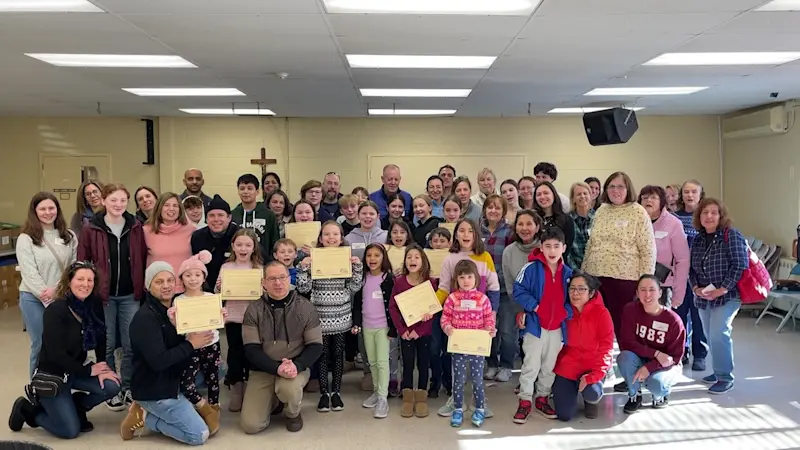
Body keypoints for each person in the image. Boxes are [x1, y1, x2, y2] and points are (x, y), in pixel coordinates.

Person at [9, 261, 120, 438]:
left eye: (90, 280)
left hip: (77, 368)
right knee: (69, 431)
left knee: (112, 385)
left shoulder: (94, 305)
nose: (85, 284)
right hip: (55, 374)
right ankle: (30, 411)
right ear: (69, 281)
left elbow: (100, 337)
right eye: (80, 279)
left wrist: (102, 366)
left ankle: (77, 407)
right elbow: (55, 355)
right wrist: (88, 370)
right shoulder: (56, 310)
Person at [120, 262, 213, 445]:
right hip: (155, 389)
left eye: (170, 280)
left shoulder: (174, 309)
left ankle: (169, 405)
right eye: (159, 282)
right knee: (199, 435)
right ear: (148, 286)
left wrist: (215, 317)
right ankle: (144, 416)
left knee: (216, 371)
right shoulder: (145, 319)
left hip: (173, 379)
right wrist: (190, 344)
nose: (166, 285)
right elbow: (159, 361)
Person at [78, 182, 146, 411]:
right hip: (102, 297)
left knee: (129, 344)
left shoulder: (136, 225)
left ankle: (126, 387)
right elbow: (83, 261)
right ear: (104, 201)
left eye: (123, 200)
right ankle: (110, 387)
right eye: (113, 200)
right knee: (105, 344)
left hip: (130, 295)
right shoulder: (92, 227)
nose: (118, 204)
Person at [239, 262, 323, 434]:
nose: (278, 283)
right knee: (251, 426)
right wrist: (277, 368)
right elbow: (251, 350)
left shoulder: (305, 307)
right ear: (263, 283)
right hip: (263, 369)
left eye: (282, 278)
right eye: (272, 279)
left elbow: (315, 345)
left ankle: (293, 413)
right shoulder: (253, 310)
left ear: (289, 279)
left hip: (294, 368)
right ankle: (275, 400)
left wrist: (296, 366)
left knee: (288, 388)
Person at [435, 219, 500, 418]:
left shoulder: (485, 257)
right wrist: (428, 308)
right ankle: (457, 401)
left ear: (476, 234)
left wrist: (492, 316)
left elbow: (494, 288)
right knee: (457, 365)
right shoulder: (449, 258)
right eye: (461, 230)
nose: (465, 234)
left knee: (477, 367)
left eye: (470, 230)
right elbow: (444, 288)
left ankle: (478, 401)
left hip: (479, 323)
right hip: (457, 323)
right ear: (455, 234)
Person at [296, 221, 363, 412]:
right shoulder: (313, 258)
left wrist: (357, 268)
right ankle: (324, 393)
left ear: (342, 238)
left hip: (341, 315)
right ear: (320, 238)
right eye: (327, 234)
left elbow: (354, 287)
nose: (331, 238)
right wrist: (303, 268)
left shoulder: (346, 258)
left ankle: (337, 393)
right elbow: (303, 288)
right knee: (323, 355)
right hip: (319, 316)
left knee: (338, 354)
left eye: (335, 234)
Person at [582, 172, 656, 338]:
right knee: (597, 326)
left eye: (620, 186)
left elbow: (648, 250)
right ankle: (601, 362)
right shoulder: (601, 210)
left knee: (622, 327)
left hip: (624, 279)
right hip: (596, 277)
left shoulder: (638, 212)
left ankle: (627, 362)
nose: (616, 190)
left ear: (628, 188)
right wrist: (584, 274)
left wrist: (646, 283)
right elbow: (591, 243)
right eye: (611, 186)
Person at [689, 198, 748, 395]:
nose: (709, 216)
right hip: (703, 296)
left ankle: (725, 377)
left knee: (719, 332)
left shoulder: (731, 235)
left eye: (714, 212)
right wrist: (696, 287)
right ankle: (716, 372)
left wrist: (722, 289)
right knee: (709, 335)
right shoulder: (697, 239)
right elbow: (691, 269)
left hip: (727, 295)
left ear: (721, 216)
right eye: (705, 212)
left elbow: (740, 264)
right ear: (699, 217)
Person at [512, 228, 572, 422]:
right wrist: (535, 307)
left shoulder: (569, 273)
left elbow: (577, 300)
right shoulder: (531, 268)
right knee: (531, 364)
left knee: (549, 366)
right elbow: (518, 290)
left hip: (557, 329)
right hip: (535, 326)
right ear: (541, 247)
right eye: (548, 246)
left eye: (556, 246)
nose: (552, 250)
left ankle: (542, 398)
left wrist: (566, 312)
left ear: (564, 248)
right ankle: (525, 400)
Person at [17, 192, 78, 377]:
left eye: (51, 208)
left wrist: (57, 290)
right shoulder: (26, 238)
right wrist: (45, 293)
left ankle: (61, 383)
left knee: (63, 343)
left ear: (57, 210)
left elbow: (72, 267)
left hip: (61, 298)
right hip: (33, 299)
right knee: (41, 343)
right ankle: (38, 386)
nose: (47, 212)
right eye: (42, 209)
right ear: (34, 212)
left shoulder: (69, 236)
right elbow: (28, 271)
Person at [173, 252, 225, 436]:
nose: (193, 279)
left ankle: (214, 409)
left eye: (197, 275)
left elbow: (218, 323)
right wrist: (173, 319)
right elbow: (177, 328)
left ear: (204, 277)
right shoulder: (178, 301)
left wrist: (221, 317)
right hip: (191, 346)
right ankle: (203, 408)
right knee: (187, 383)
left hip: (212, 344)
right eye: (188, 275)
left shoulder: (211, 298)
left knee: (213, 379)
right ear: (181, 279)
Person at [550, 272, 613, 421]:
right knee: (564, 415)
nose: (575, 293)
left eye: (581, 289)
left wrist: (595, 375)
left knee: (593, 392)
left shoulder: (602, 313)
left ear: (591, 293)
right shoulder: (566, 311)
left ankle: (590, 400)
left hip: (593, 364)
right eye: (572, 288)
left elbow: (607, 347)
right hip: (570, 363)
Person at [618, 275, 686, 414]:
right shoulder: (630, 310)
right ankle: (634, 395)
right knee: (624, 357)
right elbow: (627, 343)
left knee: (657, 384)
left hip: (667, 364)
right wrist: (655, 353)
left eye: (652, 290)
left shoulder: (673, 321)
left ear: (660, 292)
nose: (647, 294)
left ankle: (660, 395)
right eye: (642, 290)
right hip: (641, 357)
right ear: (637, 293)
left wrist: (650, 367)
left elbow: (674, 357)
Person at [441, 259, 496, 428]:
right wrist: (448, 328)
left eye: (469, 277)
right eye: (462, 277)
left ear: (476, 279)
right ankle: (458, 409)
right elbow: (445, 319)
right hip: (458, 349)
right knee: (458, 380)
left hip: (477, 350)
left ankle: (479, 408)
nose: (466, 281)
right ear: (456, 279)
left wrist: (490, 331)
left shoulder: (483, 299)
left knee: (477, 380)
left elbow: (489, 320)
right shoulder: (452, 299)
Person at [217, 230, 263, 412]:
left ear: (253, 248)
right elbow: (218, 292)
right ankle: (236, 390)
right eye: (239, 245)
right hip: (234, 317)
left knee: (252, 353)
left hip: (254, 319)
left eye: (248, 245)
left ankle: (252, 390)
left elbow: (264, 295)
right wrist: (219, 286)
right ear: (233, 247)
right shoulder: (226, 268)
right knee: (235, 353)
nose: (243, 248)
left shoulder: (258, 268)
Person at [389, 245, 437, 419]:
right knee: (407, 364)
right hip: (406, 333)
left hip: (424, 333)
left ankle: (422, 396)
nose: (412, 260)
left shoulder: (430, 283)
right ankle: (408, 397)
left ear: (423, 261)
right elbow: (393, 308)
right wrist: (402, 330)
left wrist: (421, 329)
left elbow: (433, 310)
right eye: (409, 257)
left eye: (417, 257)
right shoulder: (400, 282)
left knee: (423, 364)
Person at [500, 210, 543, 384]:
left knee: (536, 340)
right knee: (507, 331)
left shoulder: (545, 248)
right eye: (520, 224)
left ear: (537, 227)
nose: (524, 228)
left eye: (529, 224)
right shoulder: (509, 251)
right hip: (516, 300)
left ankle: (536, 374)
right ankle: (506, 365)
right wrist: (520, 309)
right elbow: (510, 282)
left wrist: (535, 307)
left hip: (541, 303)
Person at [353, 243, 395, 419]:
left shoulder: (388, 278)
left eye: (377, 255)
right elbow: (357, 304)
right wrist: (356, 323)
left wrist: (393, 329)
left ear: (383, 258)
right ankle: (377, 392)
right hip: (367, 326)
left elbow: (394, 306)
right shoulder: (362, 278)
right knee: (372, 362)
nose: (372, 259)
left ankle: (383, 398)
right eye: (369, 255)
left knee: (383, 362)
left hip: (383, 328)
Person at [674, 180, 709, 369]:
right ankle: (680, 352)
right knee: (678, 316)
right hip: (678, 276)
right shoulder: (674, 217)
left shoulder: (707, 218)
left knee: (698, 317)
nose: (690, 195)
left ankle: (700, 355)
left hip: (700, 277)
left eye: (694, 192)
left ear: (700, 194)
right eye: (686, 192)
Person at [480, 195, 515, 382]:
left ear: (503, 211)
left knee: (507, 330)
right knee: (489, 329)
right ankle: (492, 363)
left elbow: (510, 260)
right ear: (485, 209)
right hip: (483, 292)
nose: (493, 211)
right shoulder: (478, 231)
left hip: (505, 290)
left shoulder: (509, 232)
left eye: (497, 208)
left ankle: (507, 365)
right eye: (490, 207)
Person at [143, 192, 195, 294]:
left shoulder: (191, 230)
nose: (171, 209)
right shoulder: (146, 231)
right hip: (157, 291)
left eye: (175, 206)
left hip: (185, 290)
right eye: (166, 205)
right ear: (159, 208)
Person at [191, 195, 240, 290]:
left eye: (220, 215)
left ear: (229, 217)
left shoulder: (240, 236)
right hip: (205, 291)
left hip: (235, 289)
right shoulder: (197, 237)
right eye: (212, 215)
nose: (216, 219)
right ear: (206, 219)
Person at [231, 174, 280, 263]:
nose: (245, 192)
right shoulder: (233, 215)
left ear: (257, 192)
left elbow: (275, 241)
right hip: (238, 264)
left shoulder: (268, 215)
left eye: (250, 188)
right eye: (242, 188)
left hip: (264, 263)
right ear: (238, 191)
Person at [533, 181, 575, 253]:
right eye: (538, 194)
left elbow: (568, 247)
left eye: (546, 193)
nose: (542, 197)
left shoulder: (566, 220)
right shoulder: (532, 219)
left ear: (554, 195)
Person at [567, 182, 594, 270]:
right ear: (573, 199)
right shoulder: (566, 220)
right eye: (578, 194)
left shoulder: (599, 217)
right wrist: (578, 273)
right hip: (575, 270)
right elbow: (566, 251)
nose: (582, 196)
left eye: (585, 193)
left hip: (596, 270)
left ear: (590, 196)